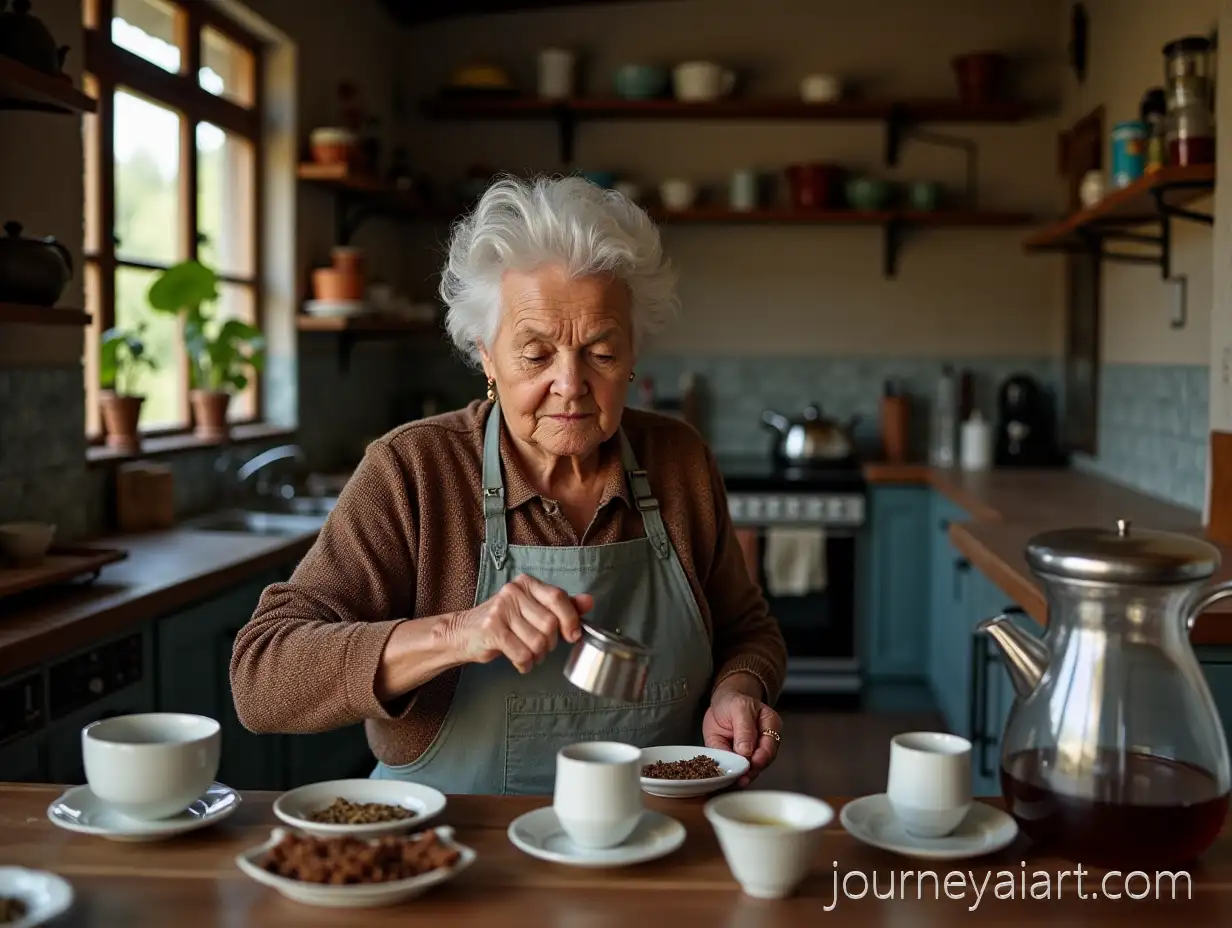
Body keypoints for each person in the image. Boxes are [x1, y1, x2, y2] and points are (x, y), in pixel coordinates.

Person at [230, 175, 788, 795]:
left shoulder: (679, 461)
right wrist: (456, 633)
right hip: (459, 851)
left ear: (633, 356)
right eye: (536, 353)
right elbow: (263, 676)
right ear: (486, 357)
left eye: (601, 353)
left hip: (653, 839)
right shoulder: (413, 470)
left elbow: (746, 629)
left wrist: (740, 689)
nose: (571, 383)